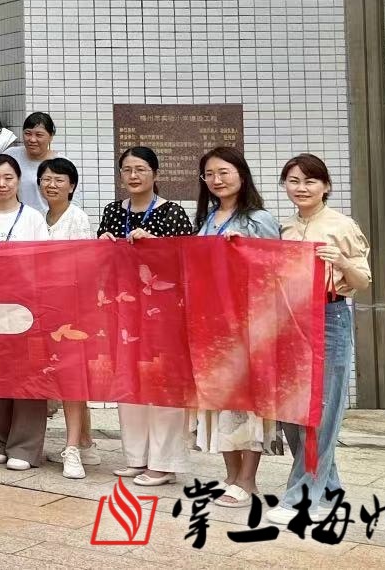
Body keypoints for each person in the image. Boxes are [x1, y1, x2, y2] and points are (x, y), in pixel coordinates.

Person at [273, 153, 369, 525]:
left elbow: (362, 282)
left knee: (321, 411)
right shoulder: (283, 229)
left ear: (325, 186)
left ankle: (301, 498)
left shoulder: (342, 226)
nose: (301, 188)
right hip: (290, 320)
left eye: (310, 180)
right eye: (293, 181)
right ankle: (328, 490)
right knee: (290, 411)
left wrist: (342, 262)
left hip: (330, 317)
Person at [188, 146, 280, 505]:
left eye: (224, 172)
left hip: (250, 324)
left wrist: (244, 251)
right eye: (209, 174)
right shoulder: (208, 219)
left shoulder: (259, 219)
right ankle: (230, 474)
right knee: (219, 397)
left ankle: (248, 479)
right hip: (212, 324)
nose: (217, 180)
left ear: (242, 175)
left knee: (248, 400)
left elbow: (275, 267)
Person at [99, 145, 194, 487]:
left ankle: (164, 463)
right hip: (124, 311)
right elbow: (102, 265)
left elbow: (188, 262)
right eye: (127, 170)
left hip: (163, 315)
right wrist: (103, 244)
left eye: (140, 169)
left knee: (162, 384)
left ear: (155, 174)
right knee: (129, 381)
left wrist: (155, 243)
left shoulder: (173, 213)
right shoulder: (113, 211)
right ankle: (136, 457)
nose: (133, 176)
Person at [0, 153, 50, 472]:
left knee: (28, 374)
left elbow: (45, 261)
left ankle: (25, 447)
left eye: (8, 178)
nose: (1, 184)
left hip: (26, 305)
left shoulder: (33, 217)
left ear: (19, 181)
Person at [38, 156, 94, 477]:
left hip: (69, 311)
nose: (52, 184)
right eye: (46, 179)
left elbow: (85, 267)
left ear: (71, 186)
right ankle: (85, 440)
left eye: (59, 180)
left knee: (72, 379)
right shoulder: (37, 218)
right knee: (52, 376)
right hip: (40, 309)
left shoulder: (78, 218)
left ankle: (72, 448)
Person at [12, 111, 56, 212]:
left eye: (39, 135)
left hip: (48, 219)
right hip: (18, 218)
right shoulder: (11, 155)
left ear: (51, 136)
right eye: (27, 133)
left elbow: (72, 201)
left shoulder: (61, 163)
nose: (32, 139)